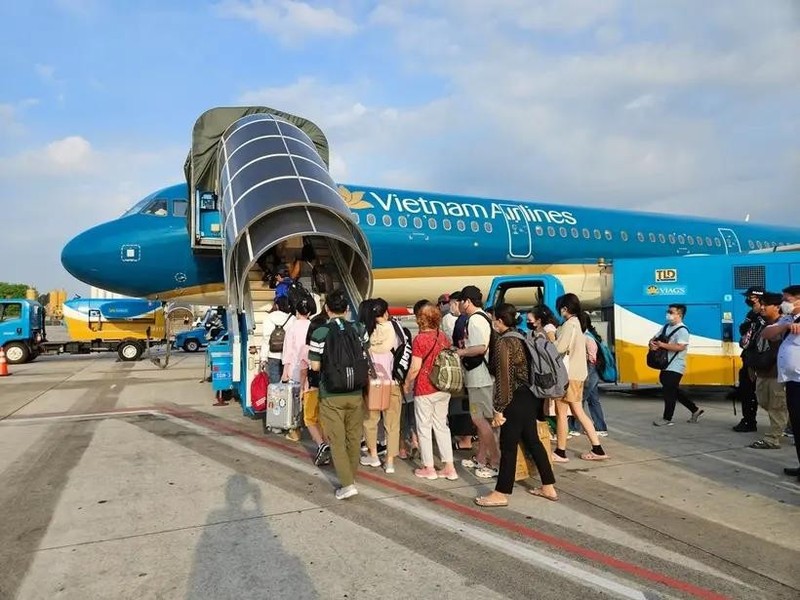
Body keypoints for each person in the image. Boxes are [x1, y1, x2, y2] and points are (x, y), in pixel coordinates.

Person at [474, 303, 557, 507]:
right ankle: (548, 485)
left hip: (514, 398)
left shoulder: (505, 343)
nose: (492, 322)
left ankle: (501, 492)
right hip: (529, 396)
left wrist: (499, 407)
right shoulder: (521, 337)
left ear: (500, 320)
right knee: (533, 441)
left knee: (508, 446)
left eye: (493, 319)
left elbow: (504, 378)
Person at [309, 290, 370, 500]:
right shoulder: (359, 328)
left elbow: (315, 366)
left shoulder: (320, 333)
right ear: (346, 310)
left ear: (326, 309)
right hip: (355, 391)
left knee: (337, 440)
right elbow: (364, 353)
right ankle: (350, 476)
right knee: (354, 437)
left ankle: (347, 484)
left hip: (331, 393)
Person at [404, 302, 458, 480]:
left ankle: (429, 467)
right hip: (443, 386)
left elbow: (415, 367)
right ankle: (449, 467)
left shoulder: (420, 339)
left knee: (424, 427)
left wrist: (407, 383)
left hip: (425, 387)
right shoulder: (443, 337)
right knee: (442, 425)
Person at [552, 293, 609, 462]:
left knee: (563, 413)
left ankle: (562, 452)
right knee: (575, 412)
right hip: (576, 375)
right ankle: (595, 448)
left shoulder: (570, 324)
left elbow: (560, 347)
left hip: (567, 375)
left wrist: (548, 343)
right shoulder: (577, 324)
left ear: (565, 308)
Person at [455, 285, 500, 478]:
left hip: (479, 378)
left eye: (461, 301)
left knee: (479, 419)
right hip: (481, 378)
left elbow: (480, 347)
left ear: (468, 302)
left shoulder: (474, 320)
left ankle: (496, 461)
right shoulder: (484, 317)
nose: (459, 305)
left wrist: (460, 352)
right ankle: (481, 458)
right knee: (483, 420)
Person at [761, 285, 800, 480]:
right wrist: (784, 326)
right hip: (792, 380)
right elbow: (767, 333)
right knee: (797, 425)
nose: (783, 303)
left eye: (787, 299)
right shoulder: (788, 319)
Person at [361, 298, 402, 475]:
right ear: (386, 312)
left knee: (370, 421)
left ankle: (373, 456)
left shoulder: (367, 331)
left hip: (374, 383)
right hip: (392, 382)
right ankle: (390, 462)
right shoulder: (396, 329)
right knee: (392, 424)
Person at [650, 303, 704, 427]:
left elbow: (681, 347)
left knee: (669, 392)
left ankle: (667, 418)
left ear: (679, 314)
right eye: (668, 311)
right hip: (665, 365)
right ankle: (695, 410)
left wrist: (662, 345)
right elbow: (654, 338)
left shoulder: (682, 330)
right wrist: (652, 343)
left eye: (671, 312)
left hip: (676, 366)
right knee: (673, 391)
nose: (668, 314)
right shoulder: (665, 327)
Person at [748, 293, 788, 450]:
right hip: (762, 372)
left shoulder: (783, 326)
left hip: (776, 374)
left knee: (776, 406)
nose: (762, 307)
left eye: (766, 304)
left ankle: (772, 439)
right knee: (764, 402)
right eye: (761, 304)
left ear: (777, 307)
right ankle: (788, 424)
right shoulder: (761, 324)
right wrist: (752, 367)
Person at [280, 295, 318, 443]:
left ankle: (295, 431)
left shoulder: (291, 328)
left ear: (296, 311)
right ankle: (315, 430)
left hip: (296, 369)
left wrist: (285, 371)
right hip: (312, 368)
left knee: (295, 402)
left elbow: (288, 351)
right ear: (309, 313)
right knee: (311, 400)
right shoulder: (313, 326)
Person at [734, 286, 766, 432]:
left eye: (751, 297)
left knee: (770, 397)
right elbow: (743, 330)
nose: (748, 300)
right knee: (746, 391)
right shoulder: (751, 313)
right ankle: (748, 420)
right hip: (748, 358)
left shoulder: (767, 315)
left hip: (760, 360)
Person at [260, 296, 295, 384]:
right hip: (288, 356)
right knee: (287, 382)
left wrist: (263, 357)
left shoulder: (269, 317)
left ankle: (275, 398)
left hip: (272, 355)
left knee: (274, 385)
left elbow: (266, 338)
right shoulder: (292, 318)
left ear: (277, 306)